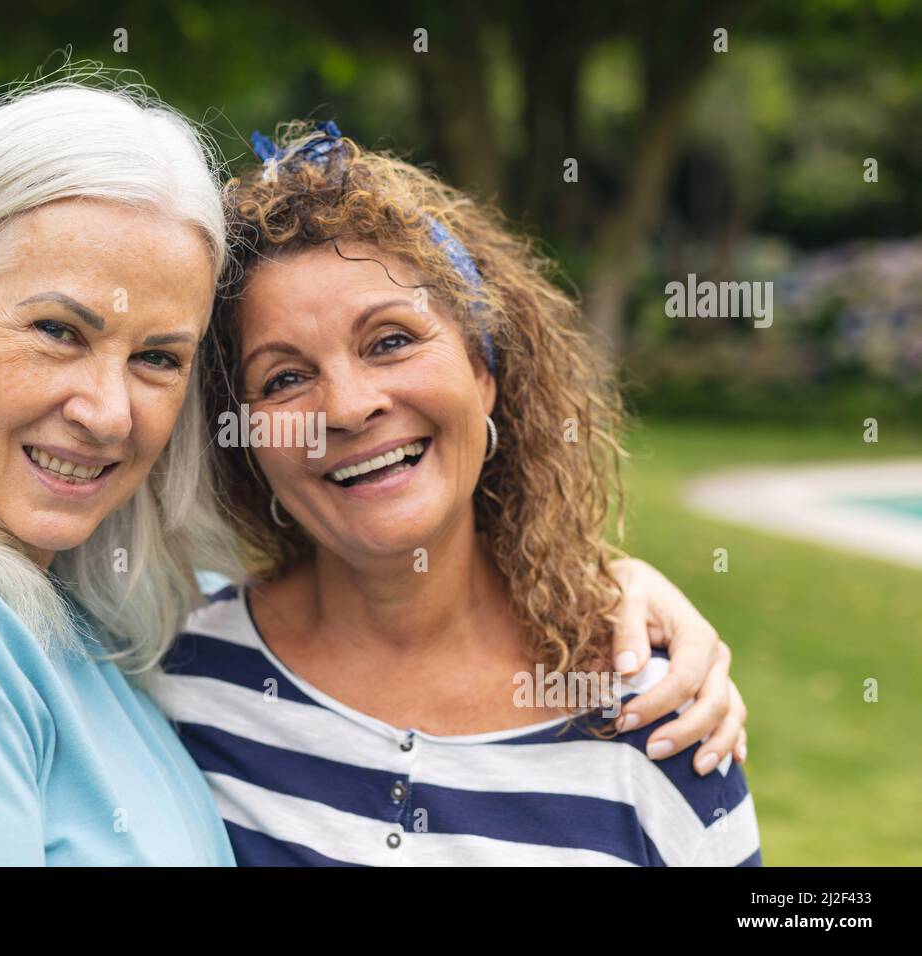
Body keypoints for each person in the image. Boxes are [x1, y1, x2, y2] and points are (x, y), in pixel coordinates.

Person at [0, 81, 747, 866]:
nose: (105, 409)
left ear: (489, 368)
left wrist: (599, 585)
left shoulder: (115, 623)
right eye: (57, 329)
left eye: (157, 357)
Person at [151, 122, 760, 866]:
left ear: (483, 373)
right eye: (284, 378)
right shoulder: (180, 683)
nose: (346, 406)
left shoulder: (659, 714)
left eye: (390, 341)